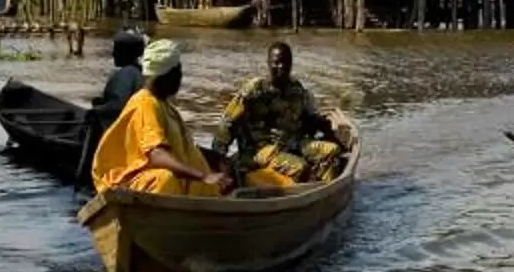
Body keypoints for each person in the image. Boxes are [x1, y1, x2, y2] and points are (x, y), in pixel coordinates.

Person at [88, 39, 228, 195]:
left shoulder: (167, 108)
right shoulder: (145, 103)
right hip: (133, 183)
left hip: (183, 187)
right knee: (165, 179)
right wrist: (204, 176)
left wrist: (216, 158)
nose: (181, 78)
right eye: (178, 72)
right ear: (168, 75)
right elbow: (156, 155)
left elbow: (184, 147)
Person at [224, 41, 336, 186]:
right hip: (260, 149)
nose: (281, 67)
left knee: (331, 151)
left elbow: (309, 117)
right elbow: (227, 122)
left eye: (286, 63)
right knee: (300, 167)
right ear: (268, 63)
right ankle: (294, 191)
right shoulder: (254, 90)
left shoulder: (297, 90)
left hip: (292, 143)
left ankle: (324, 191)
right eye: (276, 63)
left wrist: (325, 128)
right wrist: (218, 159)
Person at [92, 29, 147, 125]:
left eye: (117, 50)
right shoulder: (138, 72)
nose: (113, 54)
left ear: (126, 53)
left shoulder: (126, 74)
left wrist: (96, 111)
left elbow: (117, 106)